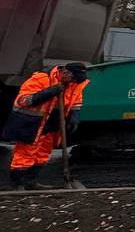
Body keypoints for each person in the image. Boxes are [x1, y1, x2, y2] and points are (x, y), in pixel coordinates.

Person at [4, 62, 89, 190]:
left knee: (42, 154)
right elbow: (24, 100)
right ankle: (18, 184)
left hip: (51, 125)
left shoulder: (73, 83)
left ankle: (31, 181)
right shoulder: (41, 79)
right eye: (73, 78)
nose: (74, 81)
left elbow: (76, 101)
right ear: (65, 72)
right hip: (31, 123)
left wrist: (74, 117)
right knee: (24, 155)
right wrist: (50, 91)